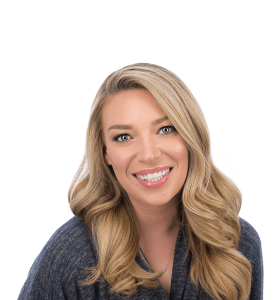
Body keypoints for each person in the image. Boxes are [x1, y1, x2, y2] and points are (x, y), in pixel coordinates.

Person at [18, 63, 263, 300]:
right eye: (124, 137)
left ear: (191, 136)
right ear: (105, 153)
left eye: (165, 129)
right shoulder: (70, 255)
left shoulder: (235, 242)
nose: (148, 154)